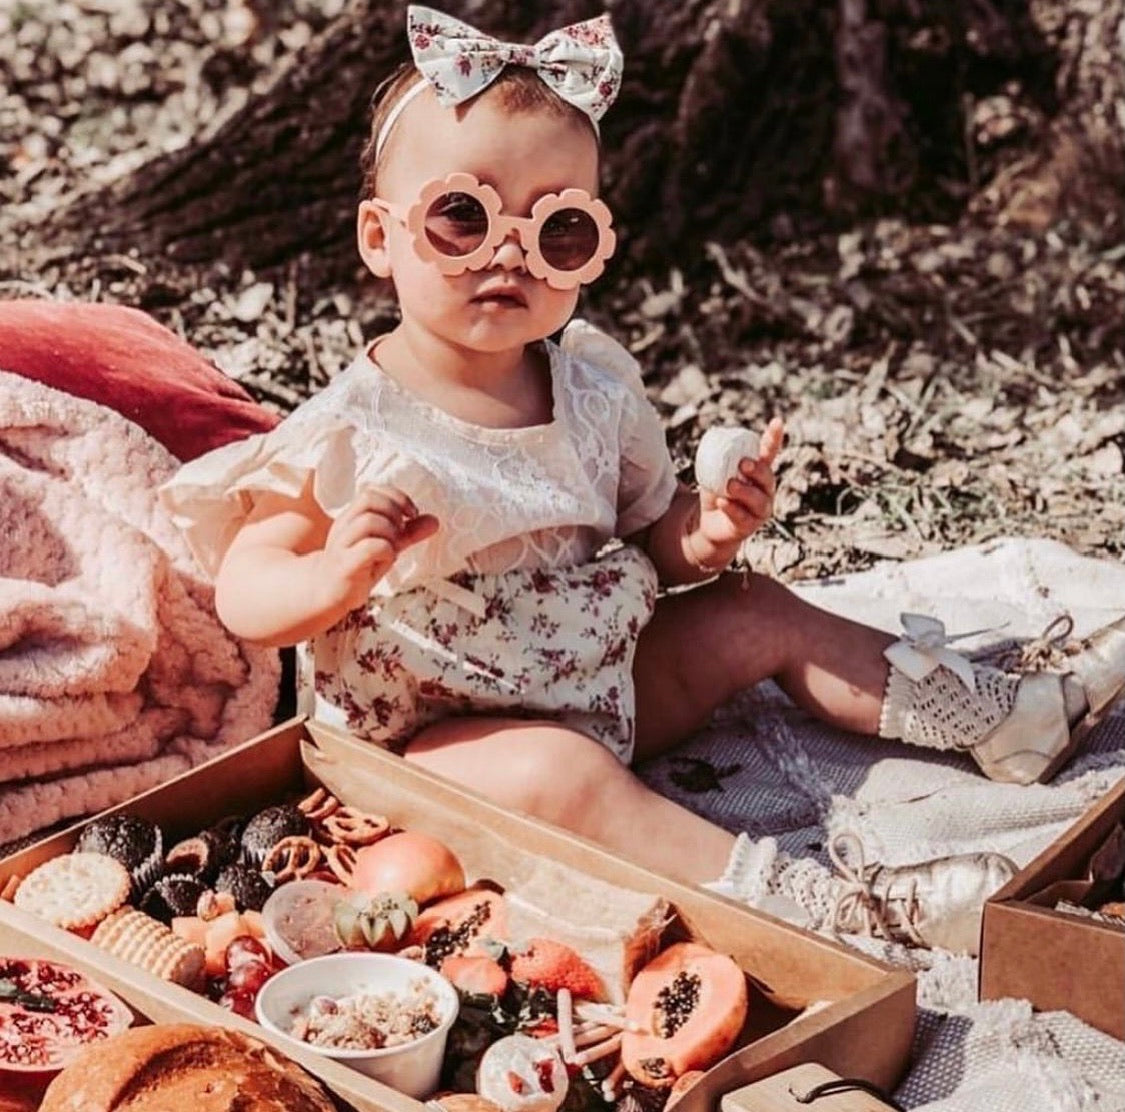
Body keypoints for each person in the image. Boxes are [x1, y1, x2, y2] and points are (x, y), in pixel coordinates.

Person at [162, 6, 1125, 954]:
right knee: (558, 772)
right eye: (463, 217)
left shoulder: (588, 390)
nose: (509, 252)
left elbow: (645, 541)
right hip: (438, 748)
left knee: (756, 607)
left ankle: (1006, 721)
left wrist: (703, 535)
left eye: (558, 230)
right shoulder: (348, 432)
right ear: (380, 237)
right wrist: (332, 575)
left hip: (606, 679)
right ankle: (825, 911)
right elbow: (249, 589)